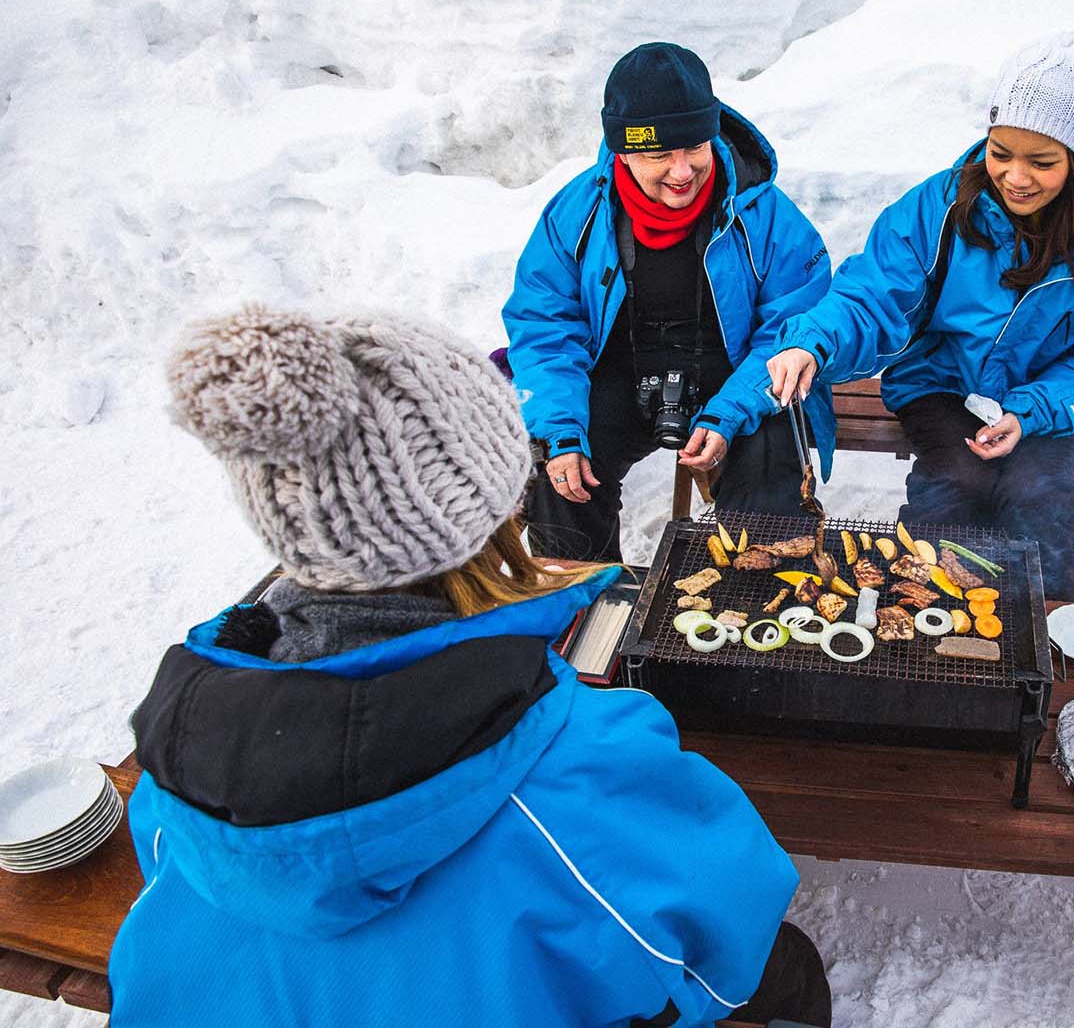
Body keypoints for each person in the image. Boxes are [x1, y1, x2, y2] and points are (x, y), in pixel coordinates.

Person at [111, 307, 831, 1028]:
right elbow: (727, 919)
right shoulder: (582, 760)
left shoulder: (178, 753)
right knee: (783, 966)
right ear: (492, 504)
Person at [765, 33, 1074, 601]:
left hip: (1045, 394)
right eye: (1000, 152)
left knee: (1039, 494)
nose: (1015, 176)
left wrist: (1032, 412)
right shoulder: (939, 208)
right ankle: (919, 624)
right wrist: (812, 340)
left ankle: (1044, 635)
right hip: (943, 382)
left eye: (1042, 161)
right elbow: (872, 292)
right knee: (954, 482)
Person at [503, 42, 835, 562]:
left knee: (772, 477)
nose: (682, 171)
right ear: (624, 151)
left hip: (738, 378)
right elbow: (544, 327)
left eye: (695, 148)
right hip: (620, 375)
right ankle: (586, 616)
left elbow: (791, 328)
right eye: (660, 154)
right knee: (561, 478)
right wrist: (561, 431)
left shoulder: (762, 213)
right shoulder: (578, 215)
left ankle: (758, 618)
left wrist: (730, 411)